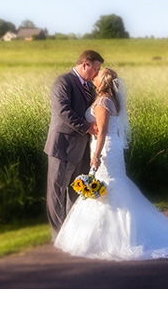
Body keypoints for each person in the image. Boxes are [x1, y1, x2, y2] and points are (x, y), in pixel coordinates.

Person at [54, 68, 168, 261]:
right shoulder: (112, 101)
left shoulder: (102, 102)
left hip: (105, 148)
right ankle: (118, 231)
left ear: (103, 82)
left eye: (98, 75)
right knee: (113, 185)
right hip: (113, 146)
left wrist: (96, 155)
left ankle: (111, 237)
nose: (95, 76)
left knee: (106, 185)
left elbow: (102, 132)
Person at [44, 50, 105, 239]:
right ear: (84, 64)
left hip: (82, 148)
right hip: (62, 145)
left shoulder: (89, 86)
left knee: (76, 191)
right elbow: (63, 110)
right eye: (95, 69)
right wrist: (86, 127)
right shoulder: (63, 82)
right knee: (56, 192)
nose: (96, 73)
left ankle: (73, 234)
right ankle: (59, 236)